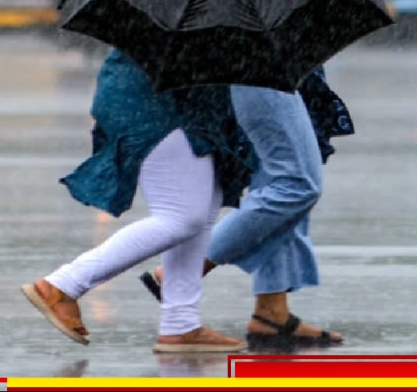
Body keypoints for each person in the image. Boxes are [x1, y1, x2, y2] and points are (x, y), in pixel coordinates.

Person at [137, 0, 354, 351]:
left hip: (283, 70)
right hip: (260, 69)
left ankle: (272, 314)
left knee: (284, 178)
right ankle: (187, 270)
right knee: (296, 182)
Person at [21, 47, 257, 353]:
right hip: (158, 104)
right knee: (181, 216)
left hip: (186, 104)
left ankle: (180, 325)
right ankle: (63, 286)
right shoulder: (185, 9)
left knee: (203, 209)